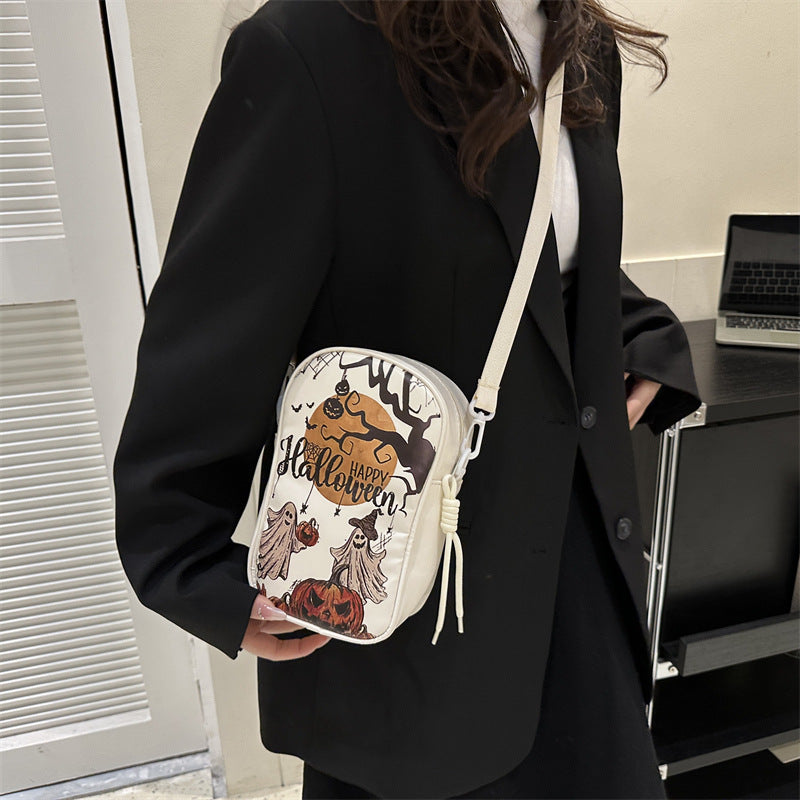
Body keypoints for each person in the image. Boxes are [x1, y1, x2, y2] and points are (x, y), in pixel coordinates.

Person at [112, 1, 702, 798]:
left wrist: (637, 331)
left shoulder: (582, 45)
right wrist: (194, 565)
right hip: (407, 596)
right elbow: (212, 331)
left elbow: (534, 250)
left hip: (572, 571)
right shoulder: (311, 49)